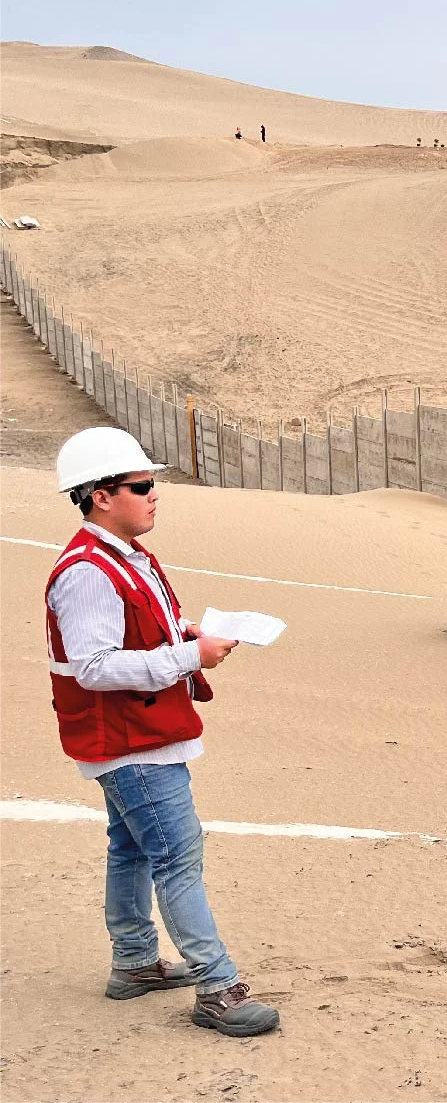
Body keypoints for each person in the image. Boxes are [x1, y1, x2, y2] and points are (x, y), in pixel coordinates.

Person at [46, 427, 280, 1037]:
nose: (155, 495)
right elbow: (95, 667)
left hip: (140, 732)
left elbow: (142, 629)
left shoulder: (128, 557)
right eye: (141, 485)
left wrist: (189, 633)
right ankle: (217, 988)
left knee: (131, 848)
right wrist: (189, 656)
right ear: (100, 495)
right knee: (178, 856)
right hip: (127, 741)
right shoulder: (87, 572)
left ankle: (135, 962)